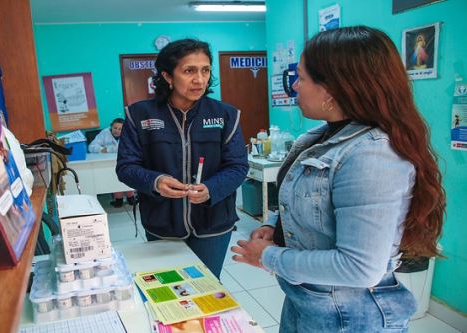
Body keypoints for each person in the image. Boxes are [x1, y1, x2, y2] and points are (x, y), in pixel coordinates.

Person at [231, 26, 445, 333]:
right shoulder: (317, 138)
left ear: (332, 88)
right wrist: (272, 227)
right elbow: (305, 199)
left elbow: (360, 268)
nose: (294, 86)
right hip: (307, 300)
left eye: (302, 78)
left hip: (348, 316)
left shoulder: (372, 155)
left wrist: (268, 256)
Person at [116, 38, 248, 279]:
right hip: (162, 223)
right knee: (170, 290)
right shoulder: (139, 115)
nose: (199, 79)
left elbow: (238, 166)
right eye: (189, 71)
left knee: (207, 287)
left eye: (205, 70)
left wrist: (210, 188)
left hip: (213, 224)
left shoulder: (225, 115)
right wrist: (155, 182)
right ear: (167, 76)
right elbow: (126, 167)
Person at [89, 118, 136, 207]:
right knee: (113, 175)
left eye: (120, 129)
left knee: (129, 174)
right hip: (109, 163)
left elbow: (132, 147)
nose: (117, 131)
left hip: (126, 160)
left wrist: (109, 149)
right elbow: (91, 147)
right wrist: (101, 149)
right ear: (111, 127)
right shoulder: (104, 133)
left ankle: (131, 198)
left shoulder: (129, 133)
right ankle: (119, 200)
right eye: (115, 128)